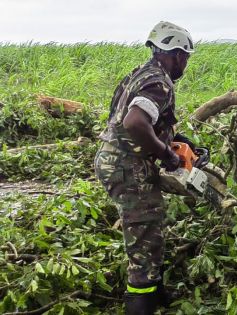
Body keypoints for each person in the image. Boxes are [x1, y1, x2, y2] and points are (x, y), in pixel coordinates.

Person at [94, 21, 195, 315]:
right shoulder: (158, 83)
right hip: (128, 168)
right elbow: (134, 123)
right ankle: (142, 303)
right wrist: (167, 154)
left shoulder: (139, 74)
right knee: (143, 246)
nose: (185, 64)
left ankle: (158, 292)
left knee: (150, 231)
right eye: (185, 57)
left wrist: (173, 139)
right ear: (177, 55)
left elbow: (137, 120)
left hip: (116, 161)